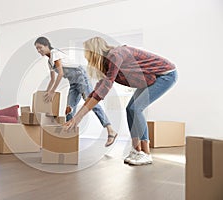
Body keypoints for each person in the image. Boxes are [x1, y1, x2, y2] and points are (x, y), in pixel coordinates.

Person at [64, 37, 177, 165]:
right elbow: (97, 92)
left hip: (165, 75)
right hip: (150, 79)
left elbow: (105, 88)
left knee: (136, 108)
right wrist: (75, 118)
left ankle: (146, 153)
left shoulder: (115, 55)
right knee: (130, 109)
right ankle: (137, 150)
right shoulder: (107, 64)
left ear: (94, 52)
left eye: (87, 53)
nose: (85, 57)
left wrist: (77, 118)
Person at [34, 36, 118, 147]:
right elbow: (52, 79)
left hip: (80, 77)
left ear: (46, 45)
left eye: (40, 47)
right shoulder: (49, 62)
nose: (39, 50)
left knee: (91, 103)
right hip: (73, 83)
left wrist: (52, 91)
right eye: (37, 49)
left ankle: (110, 130)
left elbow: (61, 74)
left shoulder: (55, 53)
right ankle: (69, 140)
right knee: (69, 109)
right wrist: (46, 92)